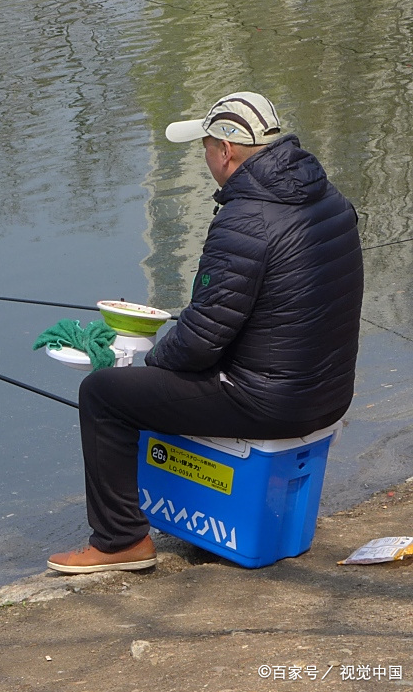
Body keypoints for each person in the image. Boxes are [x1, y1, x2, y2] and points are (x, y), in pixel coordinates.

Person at [47, 92, 364, 574]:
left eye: (205, 148)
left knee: (104, 393)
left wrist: (147, 360)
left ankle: (119, 541)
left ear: (226, 151)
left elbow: (198, 342)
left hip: (271, 401)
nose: (206, 159)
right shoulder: (329, 200)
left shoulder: (245, 219)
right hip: (329, 395)